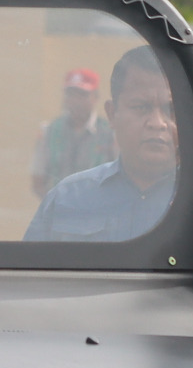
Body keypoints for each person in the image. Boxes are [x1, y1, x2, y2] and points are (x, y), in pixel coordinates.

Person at [24, 47, 182, 243]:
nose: (157, 123)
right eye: (141, 107)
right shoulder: (64, 199)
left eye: (171, 110)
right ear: (112, 113)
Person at [30, 67, 114, 197]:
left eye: (82, 95)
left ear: (95, 97)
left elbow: (120, 181)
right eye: (71, 94)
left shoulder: (111, 134)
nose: (75, 101)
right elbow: (37, 181)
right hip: (58, 212)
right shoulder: (48, 132)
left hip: (97, 213)